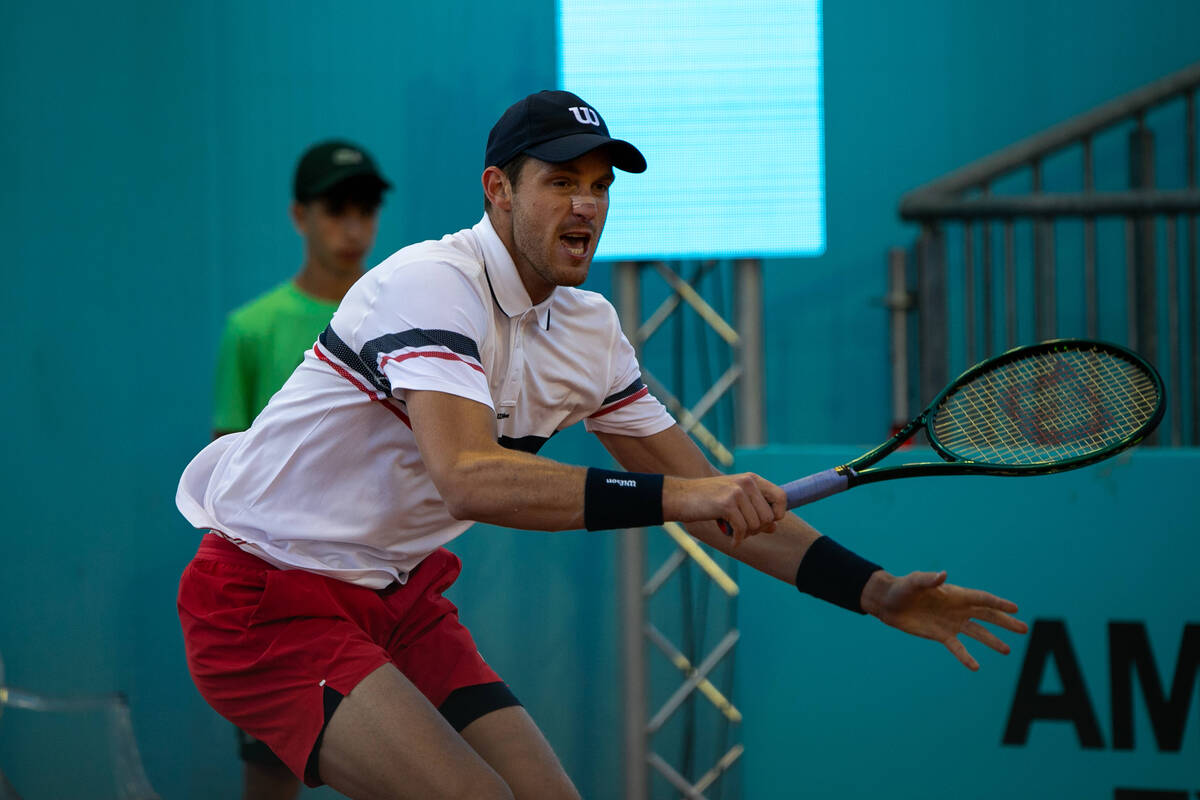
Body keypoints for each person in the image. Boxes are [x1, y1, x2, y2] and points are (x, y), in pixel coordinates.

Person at [176, 90, 1027, 800]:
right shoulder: (427, 283)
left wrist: (875, 592)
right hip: (263, 596)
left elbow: (716, 500)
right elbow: (468, 478)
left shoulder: (589, 331)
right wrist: (688, 498)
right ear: (498, 191)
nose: (586, 204)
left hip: (398, 597)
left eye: (599, 186)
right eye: (560, 182)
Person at [209, 139, 390, 798]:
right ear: (299, 216)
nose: (353, 228)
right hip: (278, 601)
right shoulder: (251, 330)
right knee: (272, 779)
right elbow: (225, 483)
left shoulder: (401, 322)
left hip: (377, 588)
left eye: (365, 209)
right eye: (335, 209)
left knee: (412, 768)